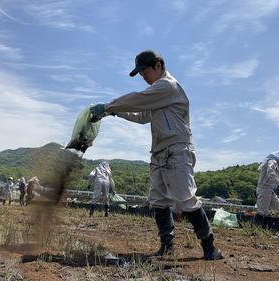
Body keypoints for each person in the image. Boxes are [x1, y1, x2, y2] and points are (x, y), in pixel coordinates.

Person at [89, 49, 222, 260]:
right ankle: (166, 246)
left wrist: (108, 105)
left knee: (185, 198)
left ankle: (210, 247)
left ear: (158, 66)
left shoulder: (167, 86)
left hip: (177, 149)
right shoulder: (158, 94)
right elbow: (142, 115)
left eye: (144, 71)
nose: (143, 77)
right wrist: (113, 112)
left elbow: (138, 99)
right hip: (160, 151)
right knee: (159, 200)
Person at [256, 151, 279, 215]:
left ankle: (274, 224)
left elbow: (272, 176)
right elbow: (271, 173)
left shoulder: (275, 163)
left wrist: (276, 185)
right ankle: (257, 225)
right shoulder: (272, 161)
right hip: (264, 189)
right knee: (262, 212)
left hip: (270, 190)